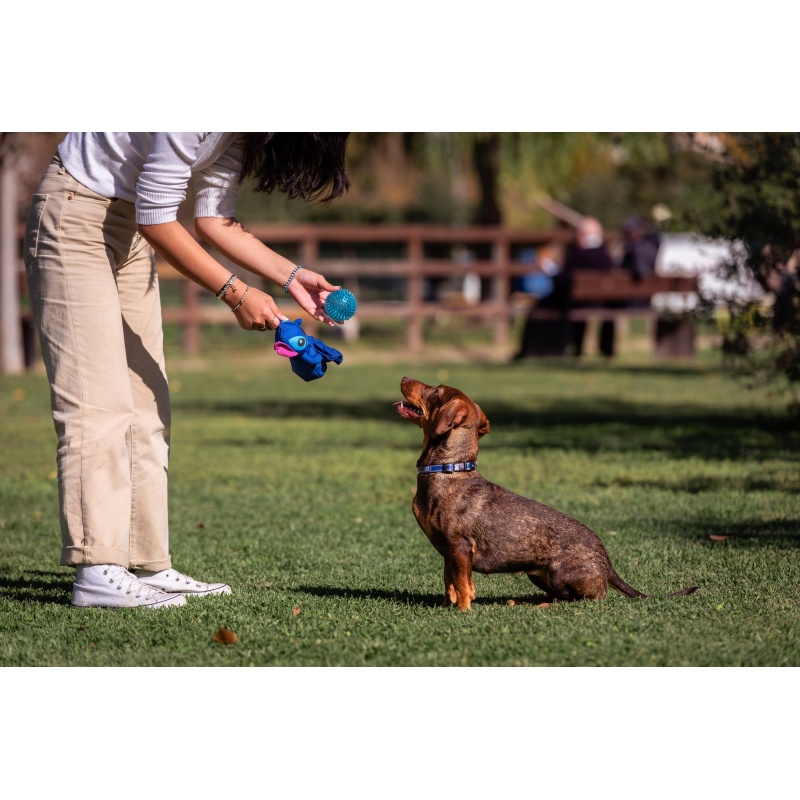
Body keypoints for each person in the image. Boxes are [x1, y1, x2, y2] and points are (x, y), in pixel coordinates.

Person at [23, 133, 351, 608]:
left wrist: (291, 276)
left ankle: (147, 564)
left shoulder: (241, 131)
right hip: (75, 212)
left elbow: (214, 220)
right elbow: (159, 216)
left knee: (148, 402)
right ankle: (97, 568)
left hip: (131, 228)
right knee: (99, 402)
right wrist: (236, 293)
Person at [562, 217, 616, 357]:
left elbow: (564, 278)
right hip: (604, 302)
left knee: (575, 304)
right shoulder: (607, 256)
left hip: (580, 302)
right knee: (610, 310)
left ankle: (576, 348)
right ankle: (607, 349)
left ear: (582, 235)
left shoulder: (576, 256)